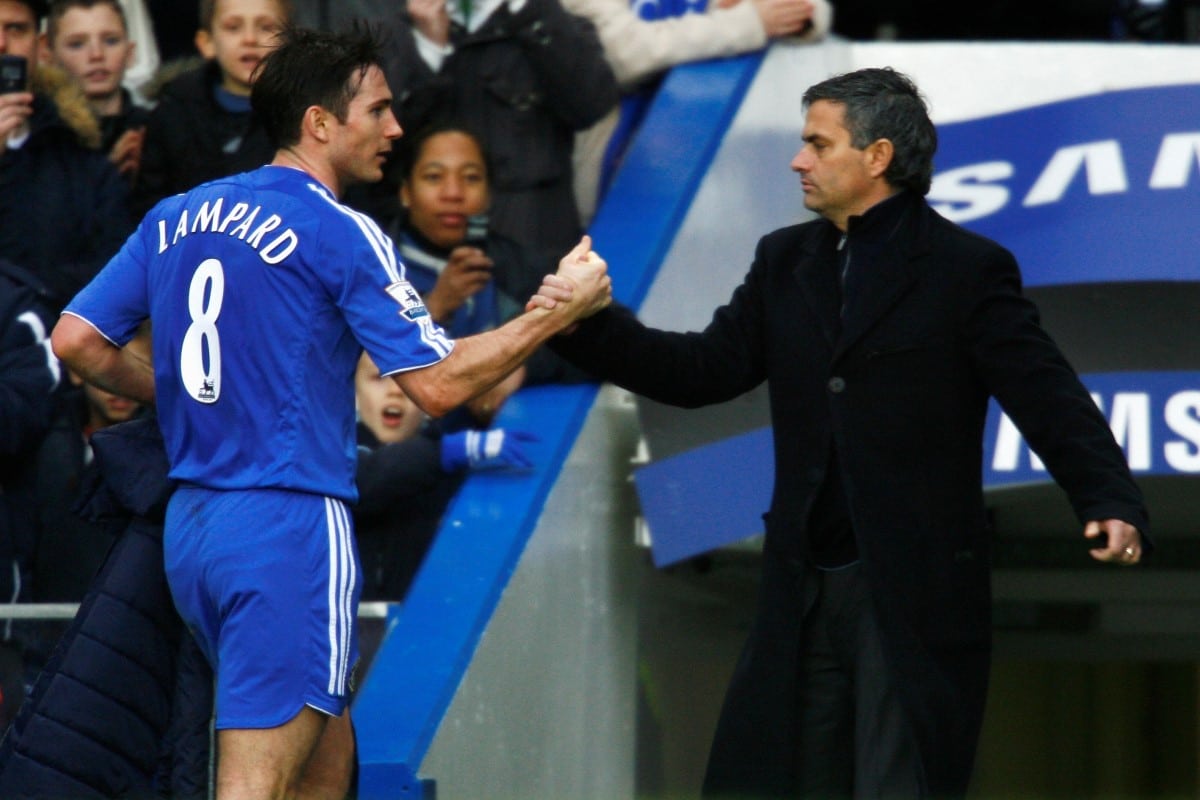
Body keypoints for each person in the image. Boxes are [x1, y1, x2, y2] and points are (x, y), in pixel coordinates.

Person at [532, 67, 1149, 799]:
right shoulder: (783, 260)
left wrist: (1106, 496)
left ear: (878, 156)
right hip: (801, 586)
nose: (798, 159)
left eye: (817, 144)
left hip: (913, 594)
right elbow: (700, 371)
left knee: (896, 785)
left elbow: (1045, 393)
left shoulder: (966, 270)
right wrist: (588, 323)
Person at [51, 23, 610, 800]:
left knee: (325, 758)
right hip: (288, 527)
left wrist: (178, 391)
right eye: (379, 111)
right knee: (255, 786)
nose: (396, 128)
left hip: (194, 530)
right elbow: (441, 386)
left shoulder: (178, 213)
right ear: (320, 123)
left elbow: (74, 339)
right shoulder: (341, 231)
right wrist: (556, 310)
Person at [386, 121, 595, 428]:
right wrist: (435, 308)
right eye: (434, 177)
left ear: (489, 195)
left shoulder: (517, 265)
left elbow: (604, 342)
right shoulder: (373, 267)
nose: (453, 193)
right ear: (406, 192)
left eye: (471, 178)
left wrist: (519, 368)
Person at [372, 0, 619, 254]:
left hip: (533, 252)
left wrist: (527, 8)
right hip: (424, 259)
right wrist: (430, 50)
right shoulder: (391, 36)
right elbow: (376, 147)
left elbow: (591, 104)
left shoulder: (549, 20)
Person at [565, 0, 832, 222]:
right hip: (601, 170)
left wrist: (769, 17)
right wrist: (746, 23)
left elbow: (814, 12)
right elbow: (624, 55)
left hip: (704, 165)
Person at [353, 350, 534, 601]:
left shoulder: (454, 447)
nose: (395, 390)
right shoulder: (329, 452)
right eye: (379, 377)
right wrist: (441, 453)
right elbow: (363, 480)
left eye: (409, 377)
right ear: (354, 389)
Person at [0, 0, 133, 312]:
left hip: (56, 343)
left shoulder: (80, 152)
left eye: (16, 28)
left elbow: (115, 269)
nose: (2, 43)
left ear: (41, 45)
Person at [130, 0, 286, 216]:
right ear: (207, 42)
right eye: (233, 27)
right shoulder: (173, 113)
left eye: (266, 27)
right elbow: (148, 207)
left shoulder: (305, 117)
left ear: (289, 41)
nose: (250, 39)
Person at [43, 0, 152, 182]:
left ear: (130, 52)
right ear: (48, 56)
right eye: (77, 44)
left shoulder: (157, 129)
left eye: (111, 40)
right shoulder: (41, 136)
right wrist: (107, 176)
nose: (96, 55)